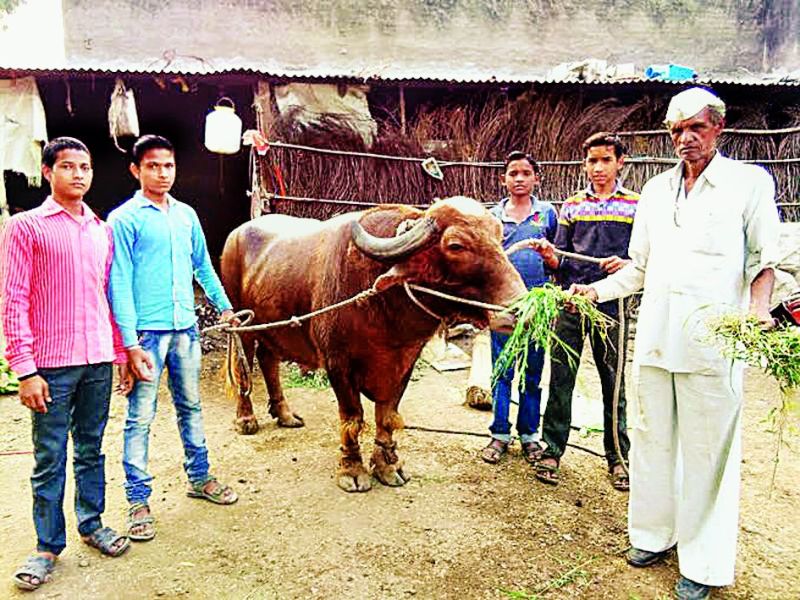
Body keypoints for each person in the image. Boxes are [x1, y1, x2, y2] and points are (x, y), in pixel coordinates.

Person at [570, 88, 780, 600]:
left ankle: (703, 565)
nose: (685, 139)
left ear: (719, 129)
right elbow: (639, 268)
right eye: (676, 130)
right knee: (652, 442)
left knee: (709, 455)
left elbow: (764, 263)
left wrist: (754, 313)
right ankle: (652, 536)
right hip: (657, 342)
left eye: (696, 128)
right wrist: (592, 289)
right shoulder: (656, 193)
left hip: (714, 347)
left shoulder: (748, 184)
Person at [1, 137, 131, 591]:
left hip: (96, 359)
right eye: (69, 167)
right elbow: (13, 301)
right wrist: (25, 369)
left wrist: (118, 354)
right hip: (51, 366)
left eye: (86, 167)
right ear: (47, 172)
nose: (79, 174)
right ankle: (46, 547)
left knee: (91, 448)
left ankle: (92, 523)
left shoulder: (101, 230)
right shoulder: (26, 227)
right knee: (49, 455)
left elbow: (106, 298)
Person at [108, 134, 239, 543]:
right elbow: (119, 283)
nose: (162, 173)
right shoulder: (123, 219)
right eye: (152, 165)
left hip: (186, 328)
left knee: (192, 406)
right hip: (146, 334)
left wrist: (224, 305)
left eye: (168, 165)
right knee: (140, 418)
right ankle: (137, 500)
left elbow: (202, 263)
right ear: (136, 170)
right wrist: (127, 343)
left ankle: (199, 477)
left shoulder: (186, 215)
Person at [529, 133, 638, 490]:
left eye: (606, 160)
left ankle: (618, 458)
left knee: (614, 381)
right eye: (592, 161)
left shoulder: (636, 205)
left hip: (612, 303)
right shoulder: (573, 205)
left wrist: (625, 264)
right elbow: (561, 258)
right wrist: (549, 256)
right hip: (573, 302)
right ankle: (552, 450)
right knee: (561, 378)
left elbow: (641, 260)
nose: (598, 168)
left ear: (620, 162)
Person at [481, 151, 558, 464]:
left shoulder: (547, 214)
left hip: (537, 307)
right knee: (502, 370)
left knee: (533, 373)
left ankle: (529, 435)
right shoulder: (491, 217)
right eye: (513, 173)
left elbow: (557, 259)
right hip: (503, 307)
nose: (519, 179)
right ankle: (499, 434)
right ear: (503, 179)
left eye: (526, 173)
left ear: (536, 178)